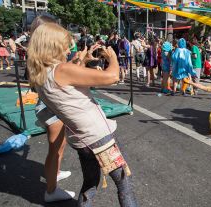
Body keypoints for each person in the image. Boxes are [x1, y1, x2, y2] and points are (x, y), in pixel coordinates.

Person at [27, 23, 138, 207]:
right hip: (100, 137)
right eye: (64, 44)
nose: (67, 49)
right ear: (52, 45)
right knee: (124, 184)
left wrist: (82, 62)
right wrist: (113, 57)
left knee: (89, 185)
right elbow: (112, 77)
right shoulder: (61, 70)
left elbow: (67, 82)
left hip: (81, 139)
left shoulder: (41, 74)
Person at [29, 15, 74, 203]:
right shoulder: (47, 63)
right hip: (50, 108)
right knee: (55, 149)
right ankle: (51, 190)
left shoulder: (40, 58)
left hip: (47, 106)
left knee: (59, 147)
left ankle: (54, 175)